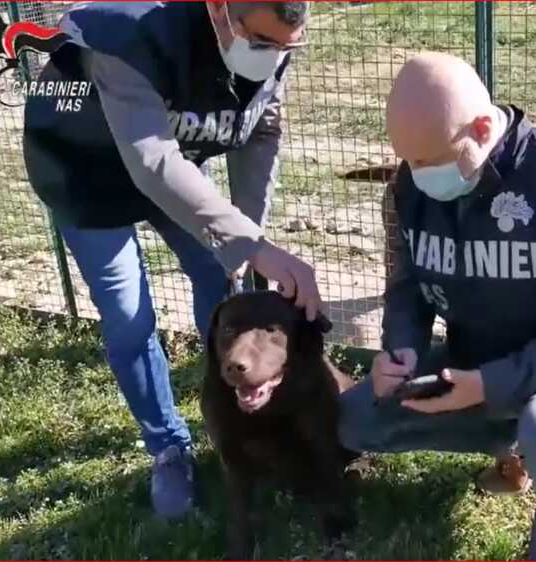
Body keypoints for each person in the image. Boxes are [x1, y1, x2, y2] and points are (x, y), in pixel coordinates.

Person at [339, 52, 536, 559]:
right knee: (356, 421)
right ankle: (509, 440)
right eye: (408, 160)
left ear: (483, 128)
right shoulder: (408, 186)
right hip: (477, 357)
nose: (416, 176)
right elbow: (407, 287)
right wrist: (401, 351)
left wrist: (493, 383)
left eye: (429, 161)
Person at [22, 1, 318, 518]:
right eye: (261, 42)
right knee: (129, 317)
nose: (271, 59)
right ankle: (167, 447)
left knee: (219, 276)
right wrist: (250, 245)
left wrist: (245, 241)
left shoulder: (270, 46)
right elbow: (152, 162)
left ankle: (238, 415)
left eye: (284, 47)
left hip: (173, 164)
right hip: (83, 171)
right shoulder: (133, 39)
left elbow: (262, 131)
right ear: (220, 10)